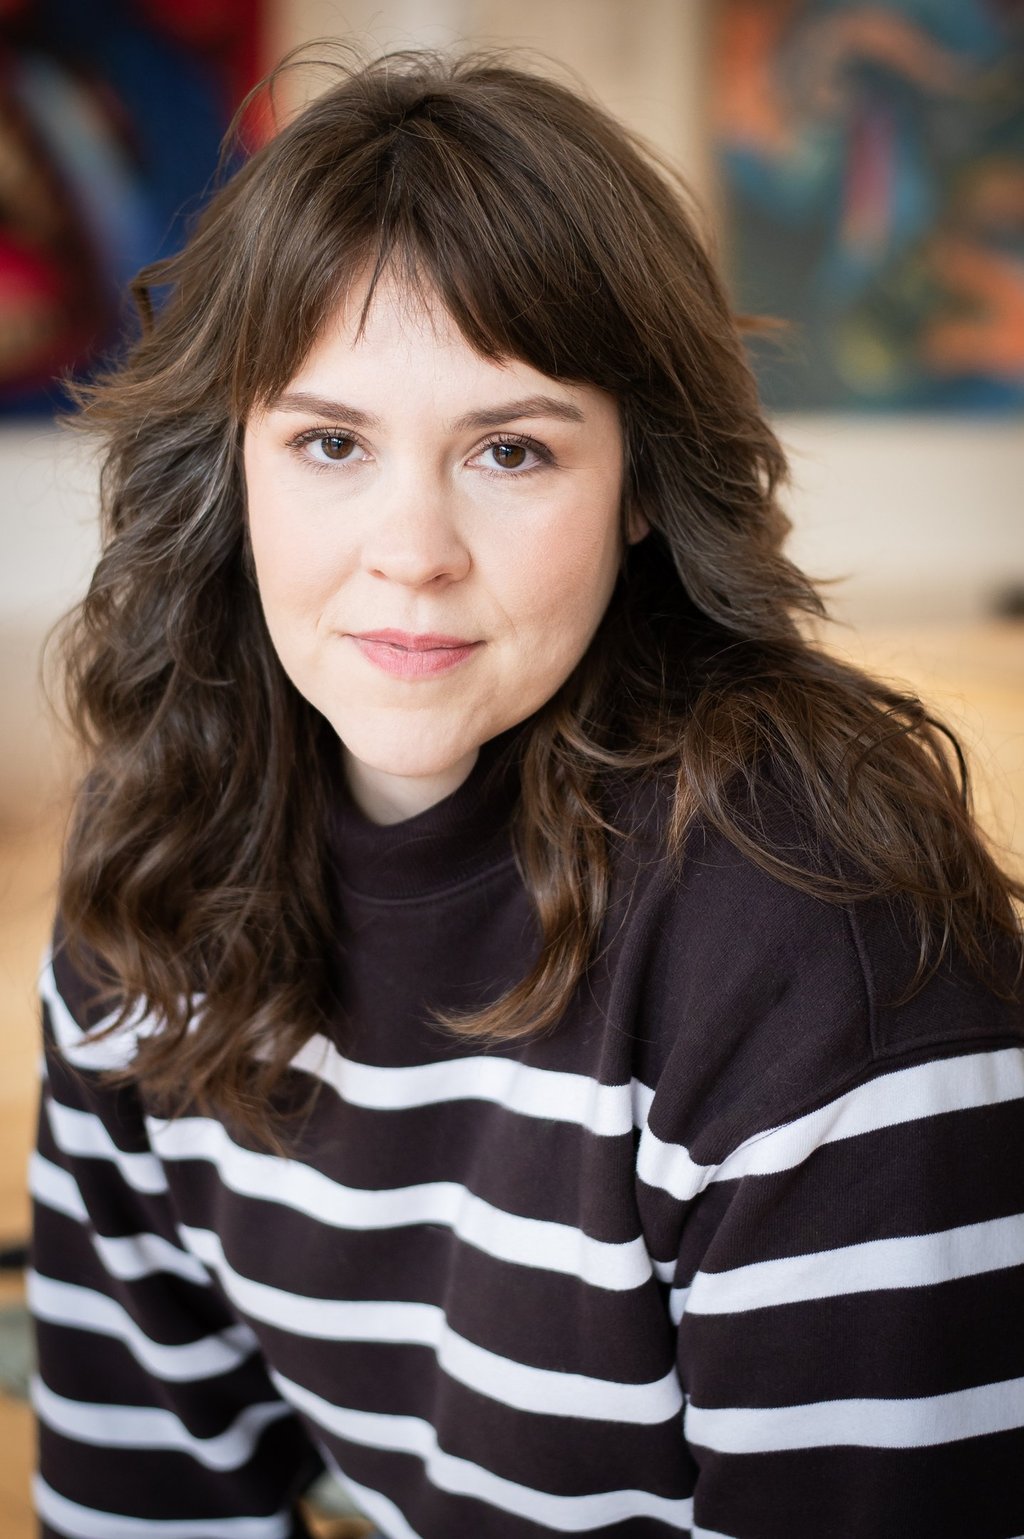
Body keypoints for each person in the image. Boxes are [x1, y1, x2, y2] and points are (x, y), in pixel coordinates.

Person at [29, 47, 1024, 1539]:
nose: (412, 551)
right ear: (232, 469)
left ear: (641, 488)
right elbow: (146, 1493)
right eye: (330, 443)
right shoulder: (158, 852)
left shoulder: (818, 934)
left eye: (509, 450)